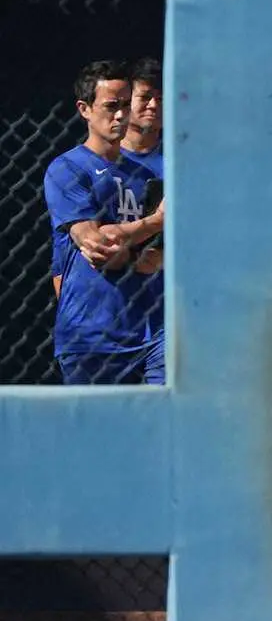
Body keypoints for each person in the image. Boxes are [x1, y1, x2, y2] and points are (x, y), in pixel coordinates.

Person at [44, 59, 165, 385]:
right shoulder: (68, 168)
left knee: (165, 427)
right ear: (85, 109)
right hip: (93, 333)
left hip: (155, 332)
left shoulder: (152, 175)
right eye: (112, 106)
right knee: (98, 433)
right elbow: (96, 244)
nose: (122, 115)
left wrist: (161, 256)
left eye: (127, 105)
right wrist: (155, 223)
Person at [120, 56, 166, 348]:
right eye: (145, 97)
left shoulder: (183, 165)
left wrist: (166, 259)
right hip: (111, 314)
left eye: (161, 98)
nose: (153, 105)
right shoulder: (95, 163)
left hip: (167, 316)